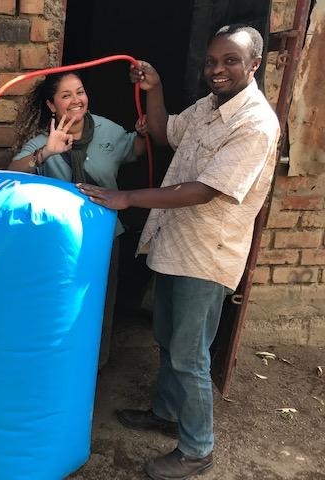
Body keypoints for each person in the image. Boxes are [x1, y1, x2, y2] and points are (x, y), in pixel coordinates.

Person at [78, 25, 280, 479]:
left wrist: (129, 198)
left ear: (254, 64)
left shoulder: (255, 124)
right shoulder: (210, 106)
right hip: (175, 243)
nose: (217, 70)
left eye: (230, 61)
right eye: (212, 61)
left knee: (189, 353)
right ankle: (167, 413)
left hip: (207, 253)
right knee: (168, 338)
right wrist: (156, 89)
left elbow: (206, 190)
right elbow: (164, 132)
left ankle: (197, 449)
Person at [8, 71, 147, 369]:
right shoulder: (45, 140)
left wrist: (144, 133)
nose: (76, 100)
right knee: (61, 304)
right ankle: (59, 367)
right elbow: (13, 172)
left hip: (105, 236)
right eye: (66, 95)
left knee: (99, 303)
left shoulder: (108, 131)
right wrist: (46, 153)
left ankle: (94, 367)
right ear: (51, 105)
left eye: (80, 92)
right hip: (59, 242)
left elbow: (135, 149)